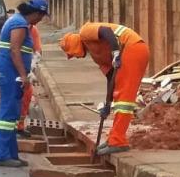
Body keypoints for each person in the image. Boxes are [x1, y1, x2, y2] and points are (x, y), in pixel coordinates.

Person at [59, 23, 150, 155]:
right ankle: (114, 139)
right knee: (119, 97)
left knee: (124, 100)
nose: (76, 57)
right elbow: (110, 78)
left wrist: (116, 52)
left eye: (73, 54)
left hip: (131, 48)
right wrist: (107, 104)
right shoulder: (97, 54)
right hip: (128, 51)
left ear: (74, 46)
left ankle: (118, 141)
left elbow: (106, 31)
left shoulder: (85, 31)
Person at [0, 0, 49, 167]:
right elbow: (15, 50)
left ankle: (11, 155)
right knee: (7, 113)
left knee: (13, 113)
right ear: (36, 13)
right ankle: (1, 156)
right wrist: (24, 75)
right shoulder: (20, 24)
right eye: (41, 16)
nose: (41, 20)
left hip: (10, 71)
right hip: (7, 70)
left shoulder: (20, 22)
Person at [16, 24, 42, 138]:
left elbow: (38, 51)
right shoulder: (14, 28)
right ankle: (10, 128)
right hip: (11, 69)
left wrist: (32, 70)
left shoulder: (33, 30)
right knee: (13, 98)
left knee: (27, 95)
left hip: (26, 70)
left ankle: (20, 127)